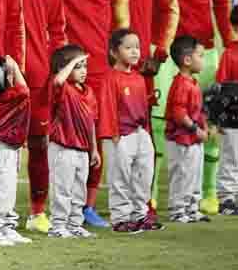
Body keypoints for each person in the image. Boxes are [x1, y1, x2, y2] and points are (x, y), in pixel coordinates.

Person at [38, 0, 129, 227]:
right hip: (60, 67)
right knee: (53, 136)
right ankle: (50, 204)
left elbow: (121, 24)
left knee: (95, 133)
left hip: (98, 69)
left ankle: (87, 204)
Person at [144, 0, 232, 216]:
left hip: (204, 53)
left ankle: (207, 192)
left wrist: (230, 47)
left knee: (207, 121)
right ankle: (149, 197)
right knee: (156, 124)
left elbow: (222, 6)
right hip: (165, 53)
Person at [2, 0, 67, 233]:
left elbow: (57, 29)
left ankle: (38, 211)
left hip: (39, 77)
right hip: (0, 75)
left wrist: (57, 68)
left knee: (39, 143)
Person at [98, 29, 162, 233]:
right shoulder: (110, 78)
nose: (135, 51)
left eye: (137, 47)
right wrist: (113, 133)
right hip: (120, 135)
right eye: (128, 47)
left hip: (140, 132)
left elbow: (141, 106)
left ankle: (140, 215)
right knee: (120, 177)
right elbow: (107, 106)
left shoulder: (139, 78)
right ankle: (120, 218)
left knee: (144, 174)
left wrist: (146, 131)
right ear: (114, 53)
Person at [47, 45, 101, 239]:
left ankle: (74, 224)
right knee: (62, 189)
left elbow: (91, 123)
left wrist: (93, 149)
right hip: (63, 148)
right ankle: (58, 225)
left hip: (82, 149)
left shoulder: (89, 92)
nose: (83, 71)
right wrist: (71, 64)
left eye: (85, 66)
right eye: (79, 67)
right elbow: (59, 79)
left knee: (79, 190)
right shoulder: (62, 89)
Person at [0, 56, 33, 247]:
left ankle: (6, 227)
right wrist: (16, 68)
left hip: (10, 147)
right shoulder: (6, 96)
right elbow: (25, 90)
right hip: (0, 146)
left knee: (8, 190)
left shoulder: (8, 94)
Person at [165, 35, 211, 223]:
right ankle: (178, 209)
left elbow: (198, 111)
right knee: (182, 174)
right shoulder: (181, 84)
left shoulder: (192, 82)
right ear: (187, 60)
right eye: (200, 55)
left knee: (195, 173)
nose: (203, 60)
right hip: (181, 139)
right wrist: (195, 129)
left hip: (194, 139)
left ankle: (192, 208)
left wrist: (205, 127)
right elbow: (178, 112)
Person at [215, 7, 238, 215]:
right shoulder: (229, 54)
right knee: (231, 156)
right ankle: (227, 198)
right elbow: (221, 87)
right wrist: (218, 119)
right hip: (232, 116)